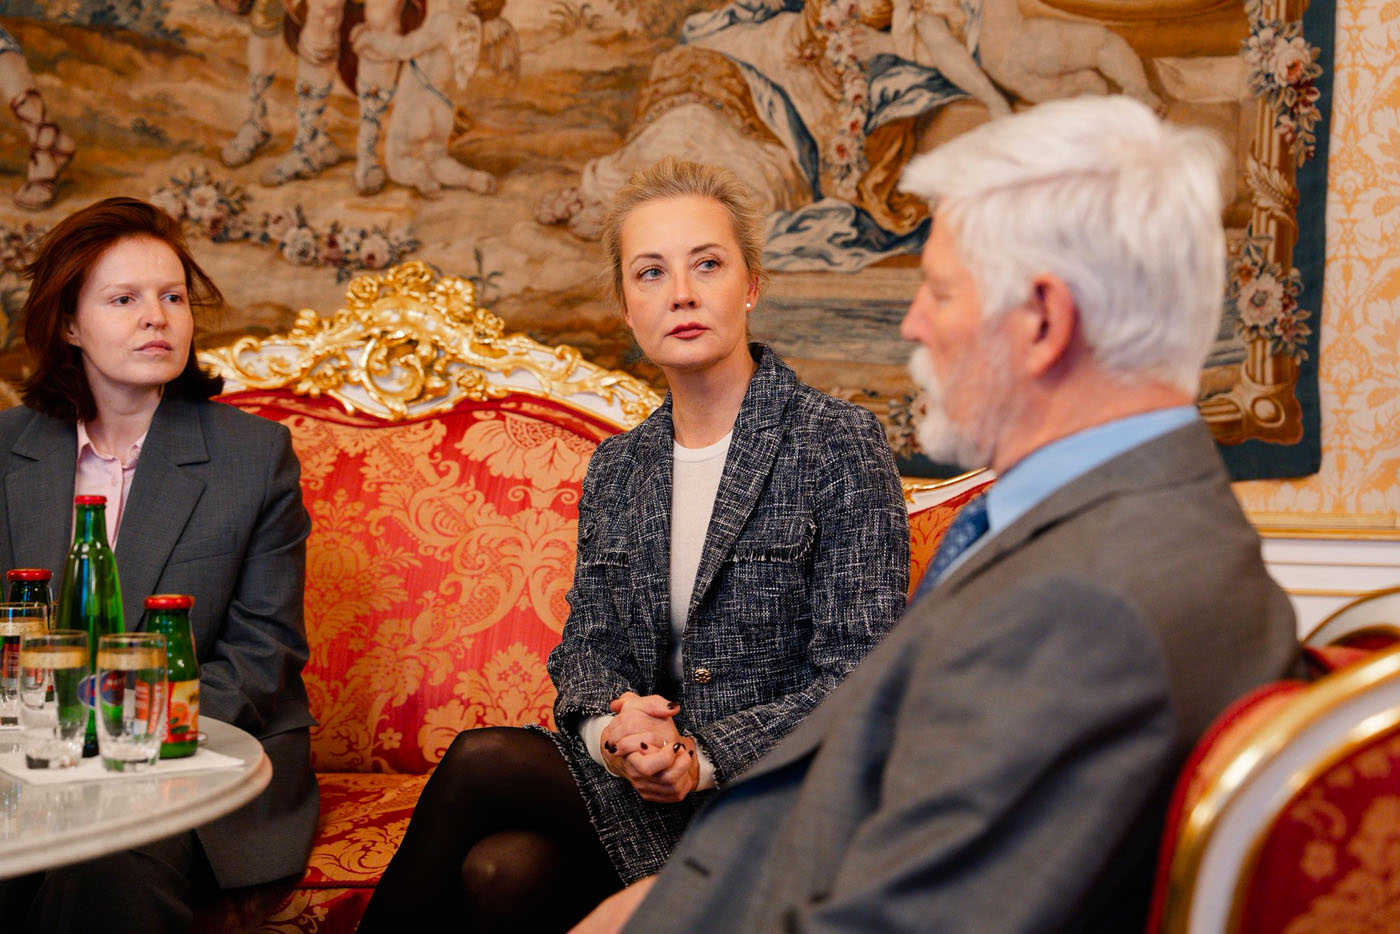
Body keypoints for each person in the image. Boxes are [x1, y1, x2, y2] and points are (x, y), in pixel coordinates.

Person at [571, 95, 1304, 933]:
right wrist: (663, 902)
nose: (915, 323)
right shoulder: (1134, 525)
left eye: (941, 291)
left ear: (1043, 321)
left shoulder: (1087, 606)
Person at [357, 157, 910, 932]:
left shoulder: (836, 441)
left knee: (483, 760)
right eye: (651, 273)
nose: (680, 292)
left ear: (751, 285)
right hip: (642, 788)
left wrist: (700, 757)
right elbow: (589, 645)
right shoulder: (620, 465)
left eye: (707, 264)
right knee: (501, 874)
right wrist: (615, 731)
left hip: (770, 801)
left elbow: (862, 675)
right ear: (626, 306)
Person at [0, 197, 317, 931]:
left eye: (172, 297)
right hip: (26, 761)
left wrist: (119, 737)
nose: (157, 317)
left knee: (103, 853)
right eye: (125, 299)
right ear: (69, 324)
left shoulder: (252, 455)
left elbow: (263, 654)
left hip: (194, 762)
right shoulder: (7, 449)